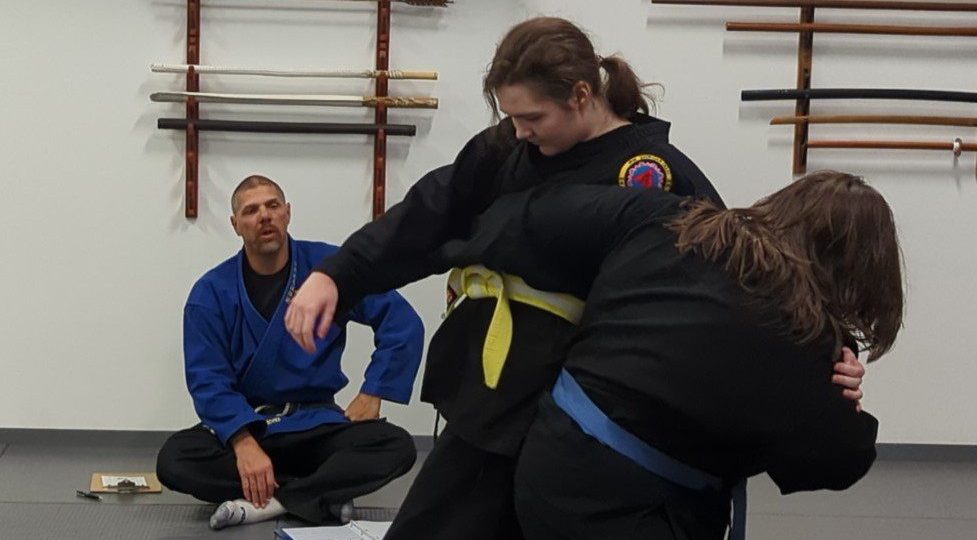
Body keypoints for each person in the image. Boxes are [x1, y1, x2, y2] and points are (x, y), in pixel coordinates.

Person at [285, 17, 862, 539]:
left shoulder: (653, 177)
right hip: (492, 398)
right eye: (511, 117)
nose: (520, 132)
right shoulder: (505, 152)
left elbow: (741, 288)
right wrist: (339, 275)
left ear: (582, 95)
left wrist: (830, 360)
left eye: (533, 117)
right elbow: (429, 215)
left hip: (583, 409)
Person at [435, 170, 903, 539]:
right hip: (633, 507)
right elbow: (839, 459)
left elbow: (541, 219)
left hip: (549, 456)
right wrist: (849, 400)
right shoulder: (801, 338)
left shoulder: (670, 224)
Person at [155, 175, 424, 530]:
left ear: (288, 214)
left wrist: (374, 390)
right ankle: (316, 492)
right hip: (253, 427)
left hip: (317, 425)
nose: (264, 216)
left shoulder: (329, 269)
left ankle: (267, 502)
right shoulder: (210, 292)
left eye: (273, 205)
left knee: (397, 446)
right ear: (236, 226)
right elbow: (208, 381)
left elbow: (401, 320)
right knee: (175, 460)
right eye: (251, 211)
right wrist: (242, 442)